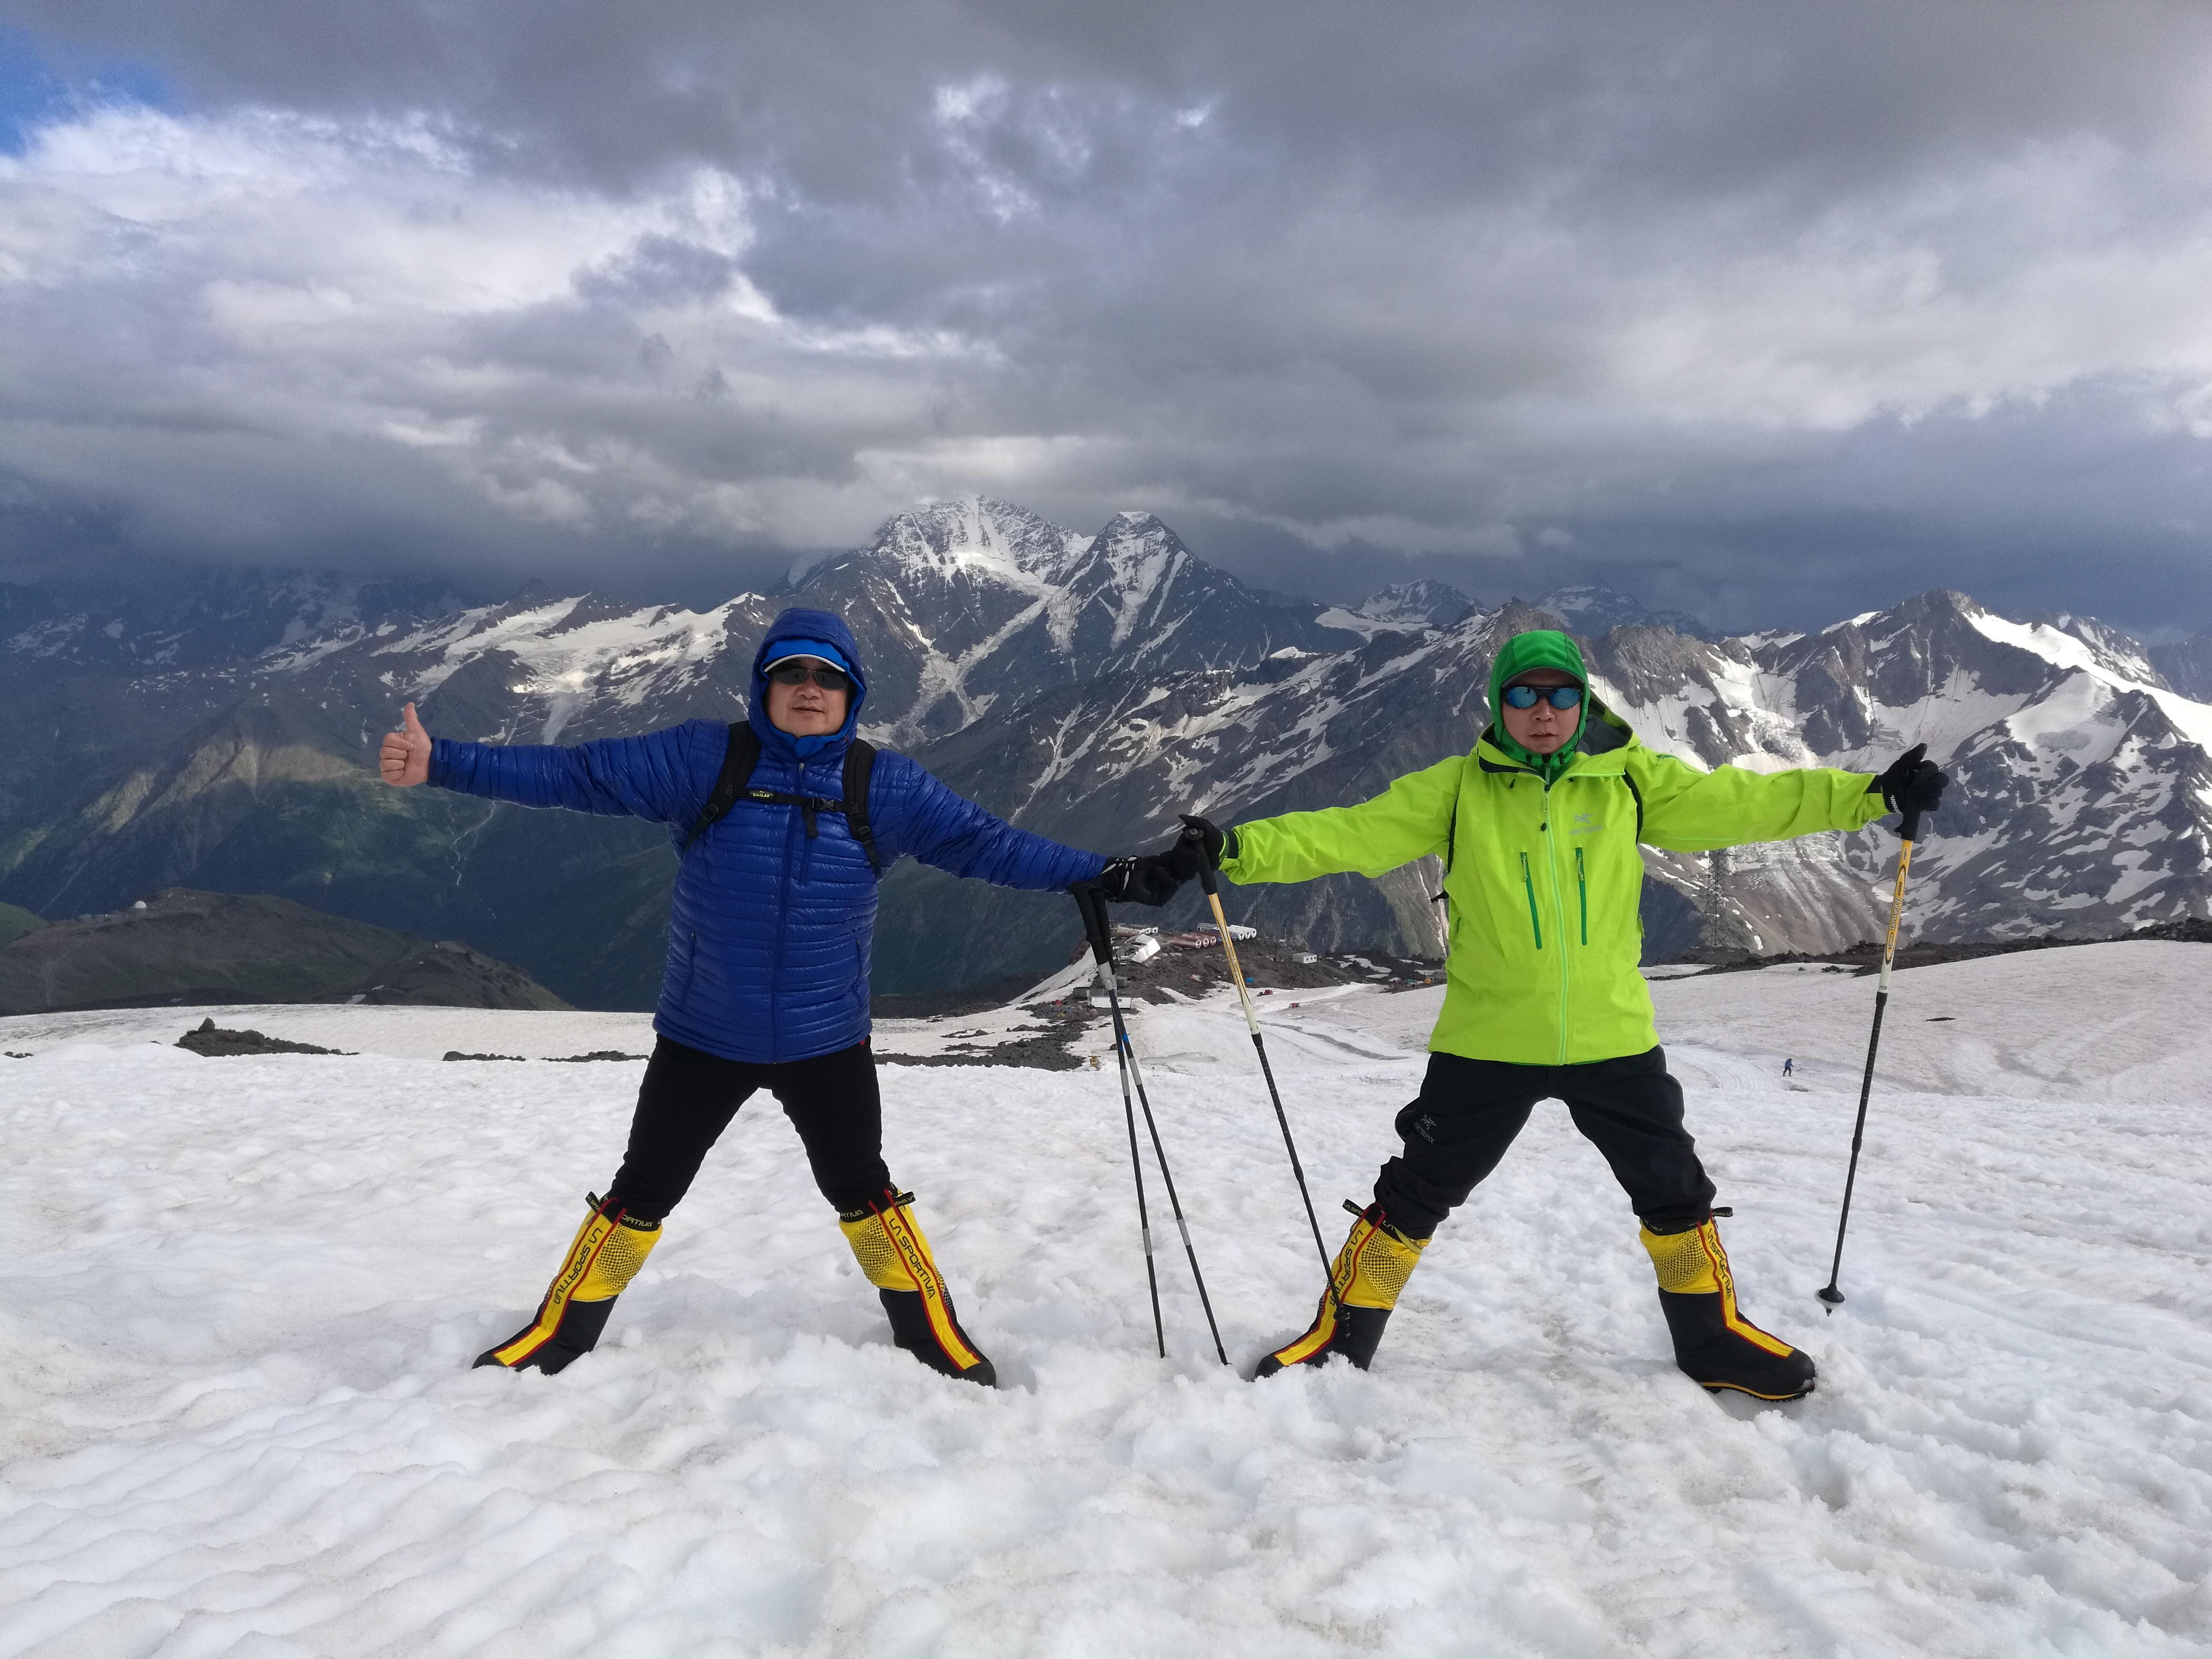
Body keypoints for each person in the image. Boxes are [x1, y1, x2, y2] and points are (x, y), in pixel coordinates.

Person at [380, 606, 1188, 1387]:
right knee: (643, 1190)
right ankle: (561, 1332)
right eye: (790, 673)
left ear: (851, 694)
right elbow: (578, 774)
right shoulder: (707, 761)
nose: (809, 687)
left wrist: (1107, 874)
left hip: (825, 1040)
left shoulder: (885, 786)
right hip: (704, 1035)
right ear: (763, 687)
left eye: (828, 677)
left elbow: (992, 846)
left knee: (863, 1188)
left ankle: (928, 1329)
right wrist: (440, 761)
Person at [1174, 628, 1947, 1400]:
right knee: (1417, 1192)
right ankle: (1341, 1340)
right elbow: (1347, 833)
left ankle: (1712, 1341)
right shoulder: (1457, 789)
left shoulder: (1630, 781)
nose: (1543, 712)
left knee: (1674, 1188)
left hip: (1611, 1036)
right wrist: (1237, 849)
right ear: (1497, 705)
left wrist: (1872, 796)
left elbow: (1746, 804)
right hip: (1489, 1039)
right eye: (1523, 695)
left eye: (1560, 695)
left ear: (1583, 702)